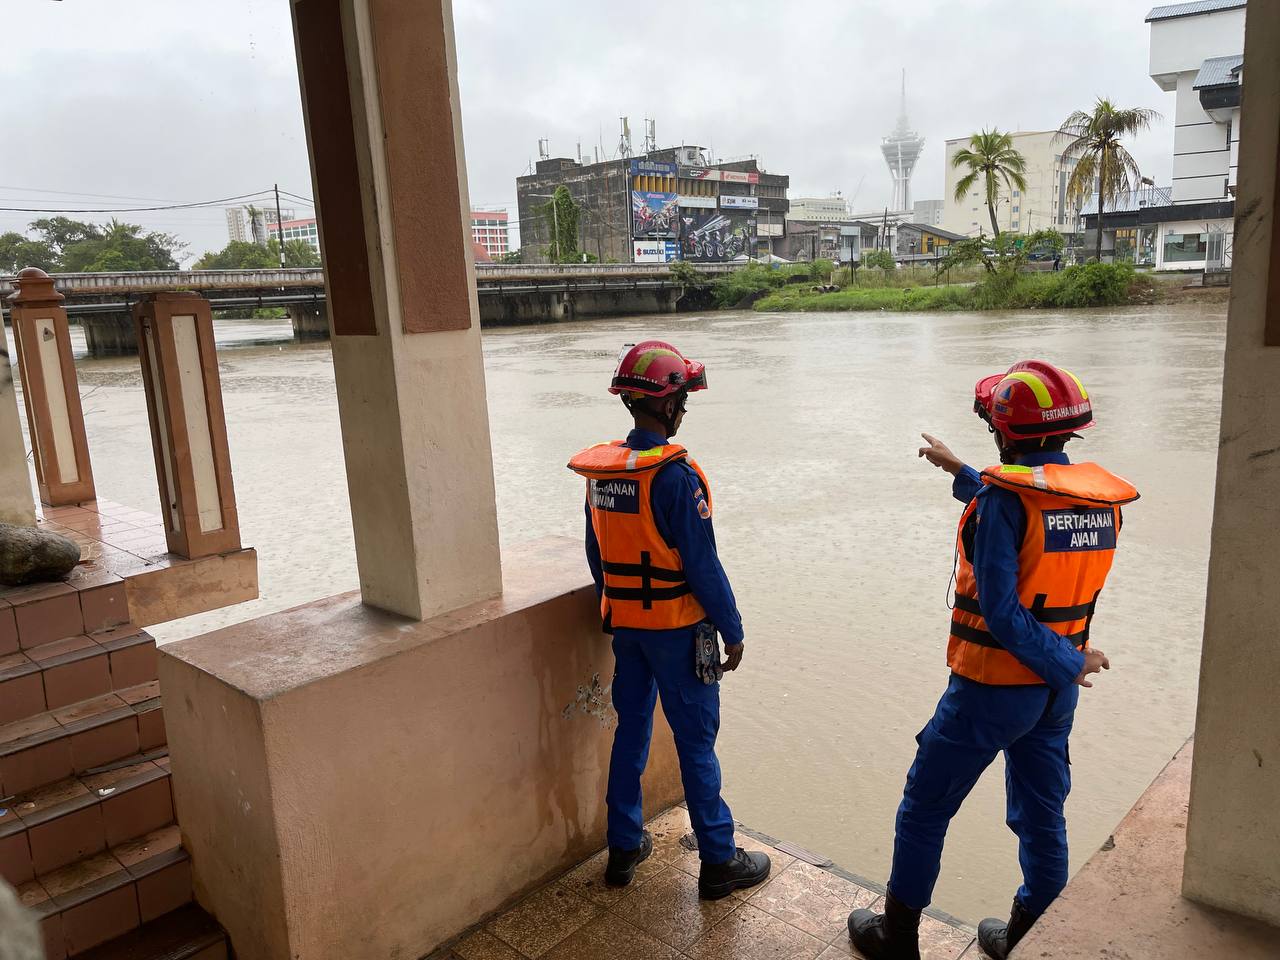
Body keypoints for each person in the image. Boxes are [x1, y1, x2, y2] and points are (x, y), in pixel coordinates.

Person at [848, 360, 1139, 960]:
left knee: (924, 806)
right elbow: (1029, 514)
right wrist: (958, 469)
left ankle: (896, 938)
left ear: (1005, 433)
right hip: (1055, 695)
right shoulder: (1098, 501)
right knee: (1042, 816)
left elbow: (1003, 610)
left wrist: (1067, 662)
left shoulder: (1005, 501)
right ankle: (1027, 940)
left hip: (992, 688)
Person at [567, 340, 771, 900]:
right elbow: (703, 566)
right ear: (666, 404)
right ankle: (719, 861)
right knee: (696, 745)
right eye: (681, 398)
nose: (683, 409)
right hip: (680, 631)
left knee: (630, 732)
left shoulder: (602, 475)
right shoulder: (675, 478)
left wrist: (620, 610)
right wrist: (733, 630)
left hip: (628, 631)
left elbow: (596, 556)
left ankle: (623, 847)